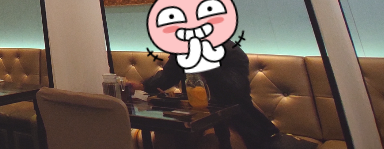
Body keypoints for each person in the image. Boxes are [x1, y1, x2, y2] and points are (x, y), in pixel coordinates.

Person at [128, 41, 307, 149]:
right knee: (165, 135)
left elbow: (235, 92)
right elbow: (168, 76)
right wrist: (141, 86)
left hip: (234, 119)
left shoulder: (232, 52)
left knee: (211, 143)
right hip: (193, 117)